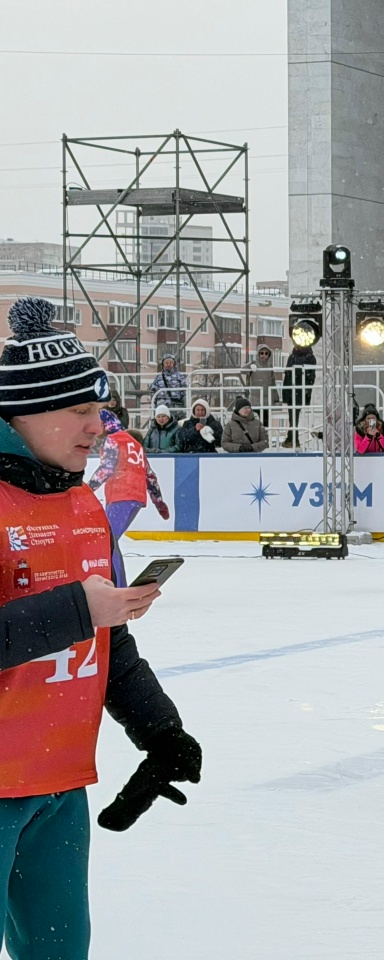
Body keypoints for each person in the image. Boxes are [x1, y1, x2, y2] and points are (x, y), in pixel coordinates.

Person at [0, 296, 201, 960]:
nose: (98, 427)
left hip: (56, 782)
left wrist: (159, 729)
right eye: (80, 411)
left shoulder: (82, 501)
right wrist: (82, 609)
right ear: (24, 414)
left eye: (98, 409)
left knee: (60, 951)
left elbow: (105, 643)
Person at [87, 410, 171, 584]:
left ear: (104, 424)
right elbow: (150, 476)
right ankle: (119, 584)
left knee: (108, 541)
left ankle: (119, 585)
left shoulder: (112, 440)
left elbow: (107, 469)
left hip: (120, 494)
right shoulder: (135, 444)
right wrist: (159, 503)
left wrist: (87, 490)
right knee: (111, 541)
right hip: (136, 497)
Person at [281, 344, 316, 448]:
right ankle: (292, 438)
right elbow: (287, 375)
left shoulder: (306, 357)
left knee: (293, 415)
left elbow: (309, 376)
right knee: (293, 415)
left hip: (299, 391)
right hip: (295, 390)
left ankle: (292, 439)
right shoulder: (294, 357)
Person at [242, 345, 277, 413]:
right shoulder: (254, 363)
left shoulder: (270, 367)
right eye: (262, 353)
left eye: (266, 353)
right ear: (258, 354)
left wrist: (276, 400)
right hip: (255, 401)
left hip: (267, 401)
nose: (264, 355)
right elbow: (242, 371)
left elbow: (273, 383)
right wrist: (250, 366)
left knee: (266, 422)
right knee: (256, 421)